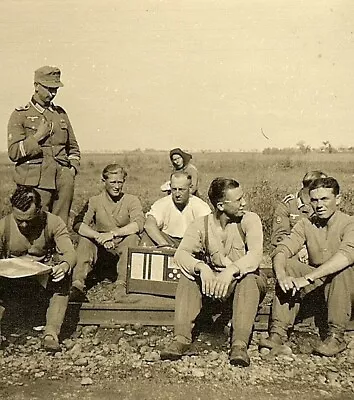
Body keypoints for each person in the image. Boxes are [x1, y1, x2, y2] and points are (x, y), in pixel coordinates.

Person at [160, 177, 267, 367]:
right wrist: (201, 268)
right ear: (220, 205)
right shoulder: (201, 225)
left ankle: (239, 344)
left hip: (241, 283)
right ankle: (181, 339)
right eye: (238, 200)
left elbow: (255, 255)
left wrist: (232, 270)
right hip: (215, 283)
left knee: (249, 279)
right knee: (188, 276)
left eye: (243, 197)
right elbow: (181, 254)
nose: (244, 203)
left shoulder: (250, 220)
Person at [261, 177, 354, 357]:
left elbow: (346, 256)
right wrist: (281, 275)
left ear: (339, 199)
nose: (319, 205)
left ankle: (336, 336)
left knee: (342, 269)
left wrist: (306, 279)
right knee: (288, 265)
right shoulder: (306, 223)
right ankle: (278, 333)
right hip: (322, 285)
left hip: (347, 288)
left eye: (325, 199)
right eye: (314, 200)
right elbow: (282, 250)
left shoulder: (349, 223)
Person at [0, 186, 76, 351]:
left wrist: (64, 265)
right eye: (19, 220)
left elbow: (70, 253)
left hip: (42, 282)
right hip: (12, 284)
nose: (25, 225)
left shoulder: (53, 222)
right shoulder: (3, 226)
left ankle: (51, 333)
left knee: (65, 277)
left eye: (30, 219)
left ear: (40, 209)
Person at [7, 66, 80, 225]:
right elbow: (13, 152)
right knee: (36, 226)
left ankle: (57, 251)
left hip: (63, 181)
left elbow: (73, 148)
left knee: (60, 226)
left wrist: (71, 171)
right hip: (35, 182)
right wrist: (37, 137)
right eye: (48, 88)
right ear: (36, 86)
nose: (52, 93)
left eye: (55, 89)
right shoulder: (21, 114)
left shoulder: (60, 114)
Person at [70, 164, 145, 302]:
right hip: (101, 247)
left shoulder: (131, 200)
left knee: (132, 238)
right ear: (104, 182)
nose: (117, 186)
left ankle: (122, 284)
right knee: (85, 239)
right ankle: (77, 284)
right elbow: (78, 224)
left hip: (121, 245)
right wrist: (99, 237)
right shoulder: (94, 201)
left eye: (120, 182)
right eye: (113, 182)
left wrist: (113, 234)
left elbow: (138, 224)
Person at [142, 171, 211, 248]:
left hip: (191, 243)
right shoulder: (162, 203)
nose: (177, 194)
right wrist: (165, 245)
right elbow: (149, 225)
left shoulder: (201, 206)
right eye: (174, 189)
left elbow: (208, 231)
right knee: (147, 236)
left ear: (190, 188)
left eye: (181, 190)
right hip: (168, 241)